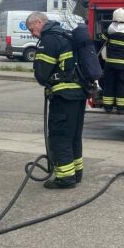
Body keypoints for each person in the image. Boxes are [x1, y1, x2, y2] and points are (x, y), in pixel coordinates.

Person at [27, 12, 87, 189]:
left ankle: (65, 178)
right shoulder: (66, 34)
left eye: (32, 29)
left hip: (63, 96)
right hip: (79, 94)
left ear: (40, 21)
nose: (32, 34)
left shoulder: (49, 40)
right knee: (73, 136)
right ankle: (76, 173)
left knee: (59, 136)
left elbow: (42, 74)